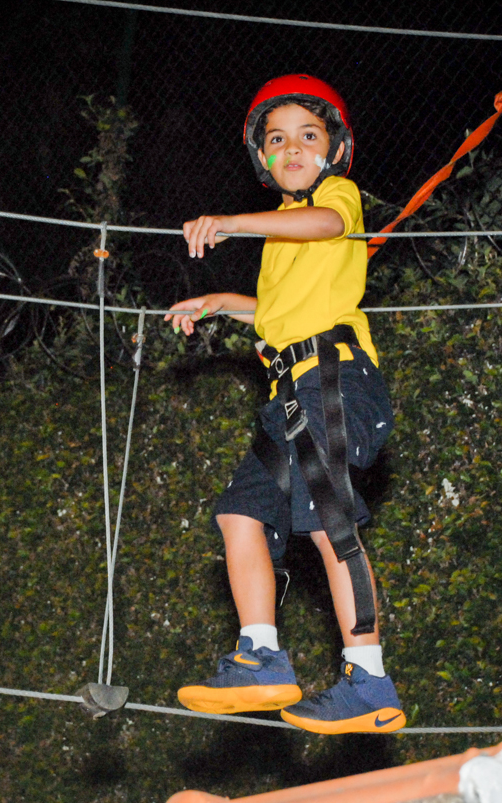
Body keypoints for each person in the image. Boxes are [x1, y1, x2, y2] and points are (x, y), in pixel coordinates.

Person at [164, 74, 404, 734]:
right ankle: (260, 656)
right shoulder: (282, 240)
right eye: (276, 139)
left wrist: (233, 222)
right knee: (240, 513)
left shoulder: (335, 198)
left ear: (335, 149)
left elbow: (327, 224)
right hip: (289, 395)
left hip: (335, 379)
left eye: (308, 135)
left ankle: (369, 679)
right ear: (261, 158)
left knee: (329, 521)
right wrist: (220, 302)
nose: (292, 147)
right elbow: (277, 313)